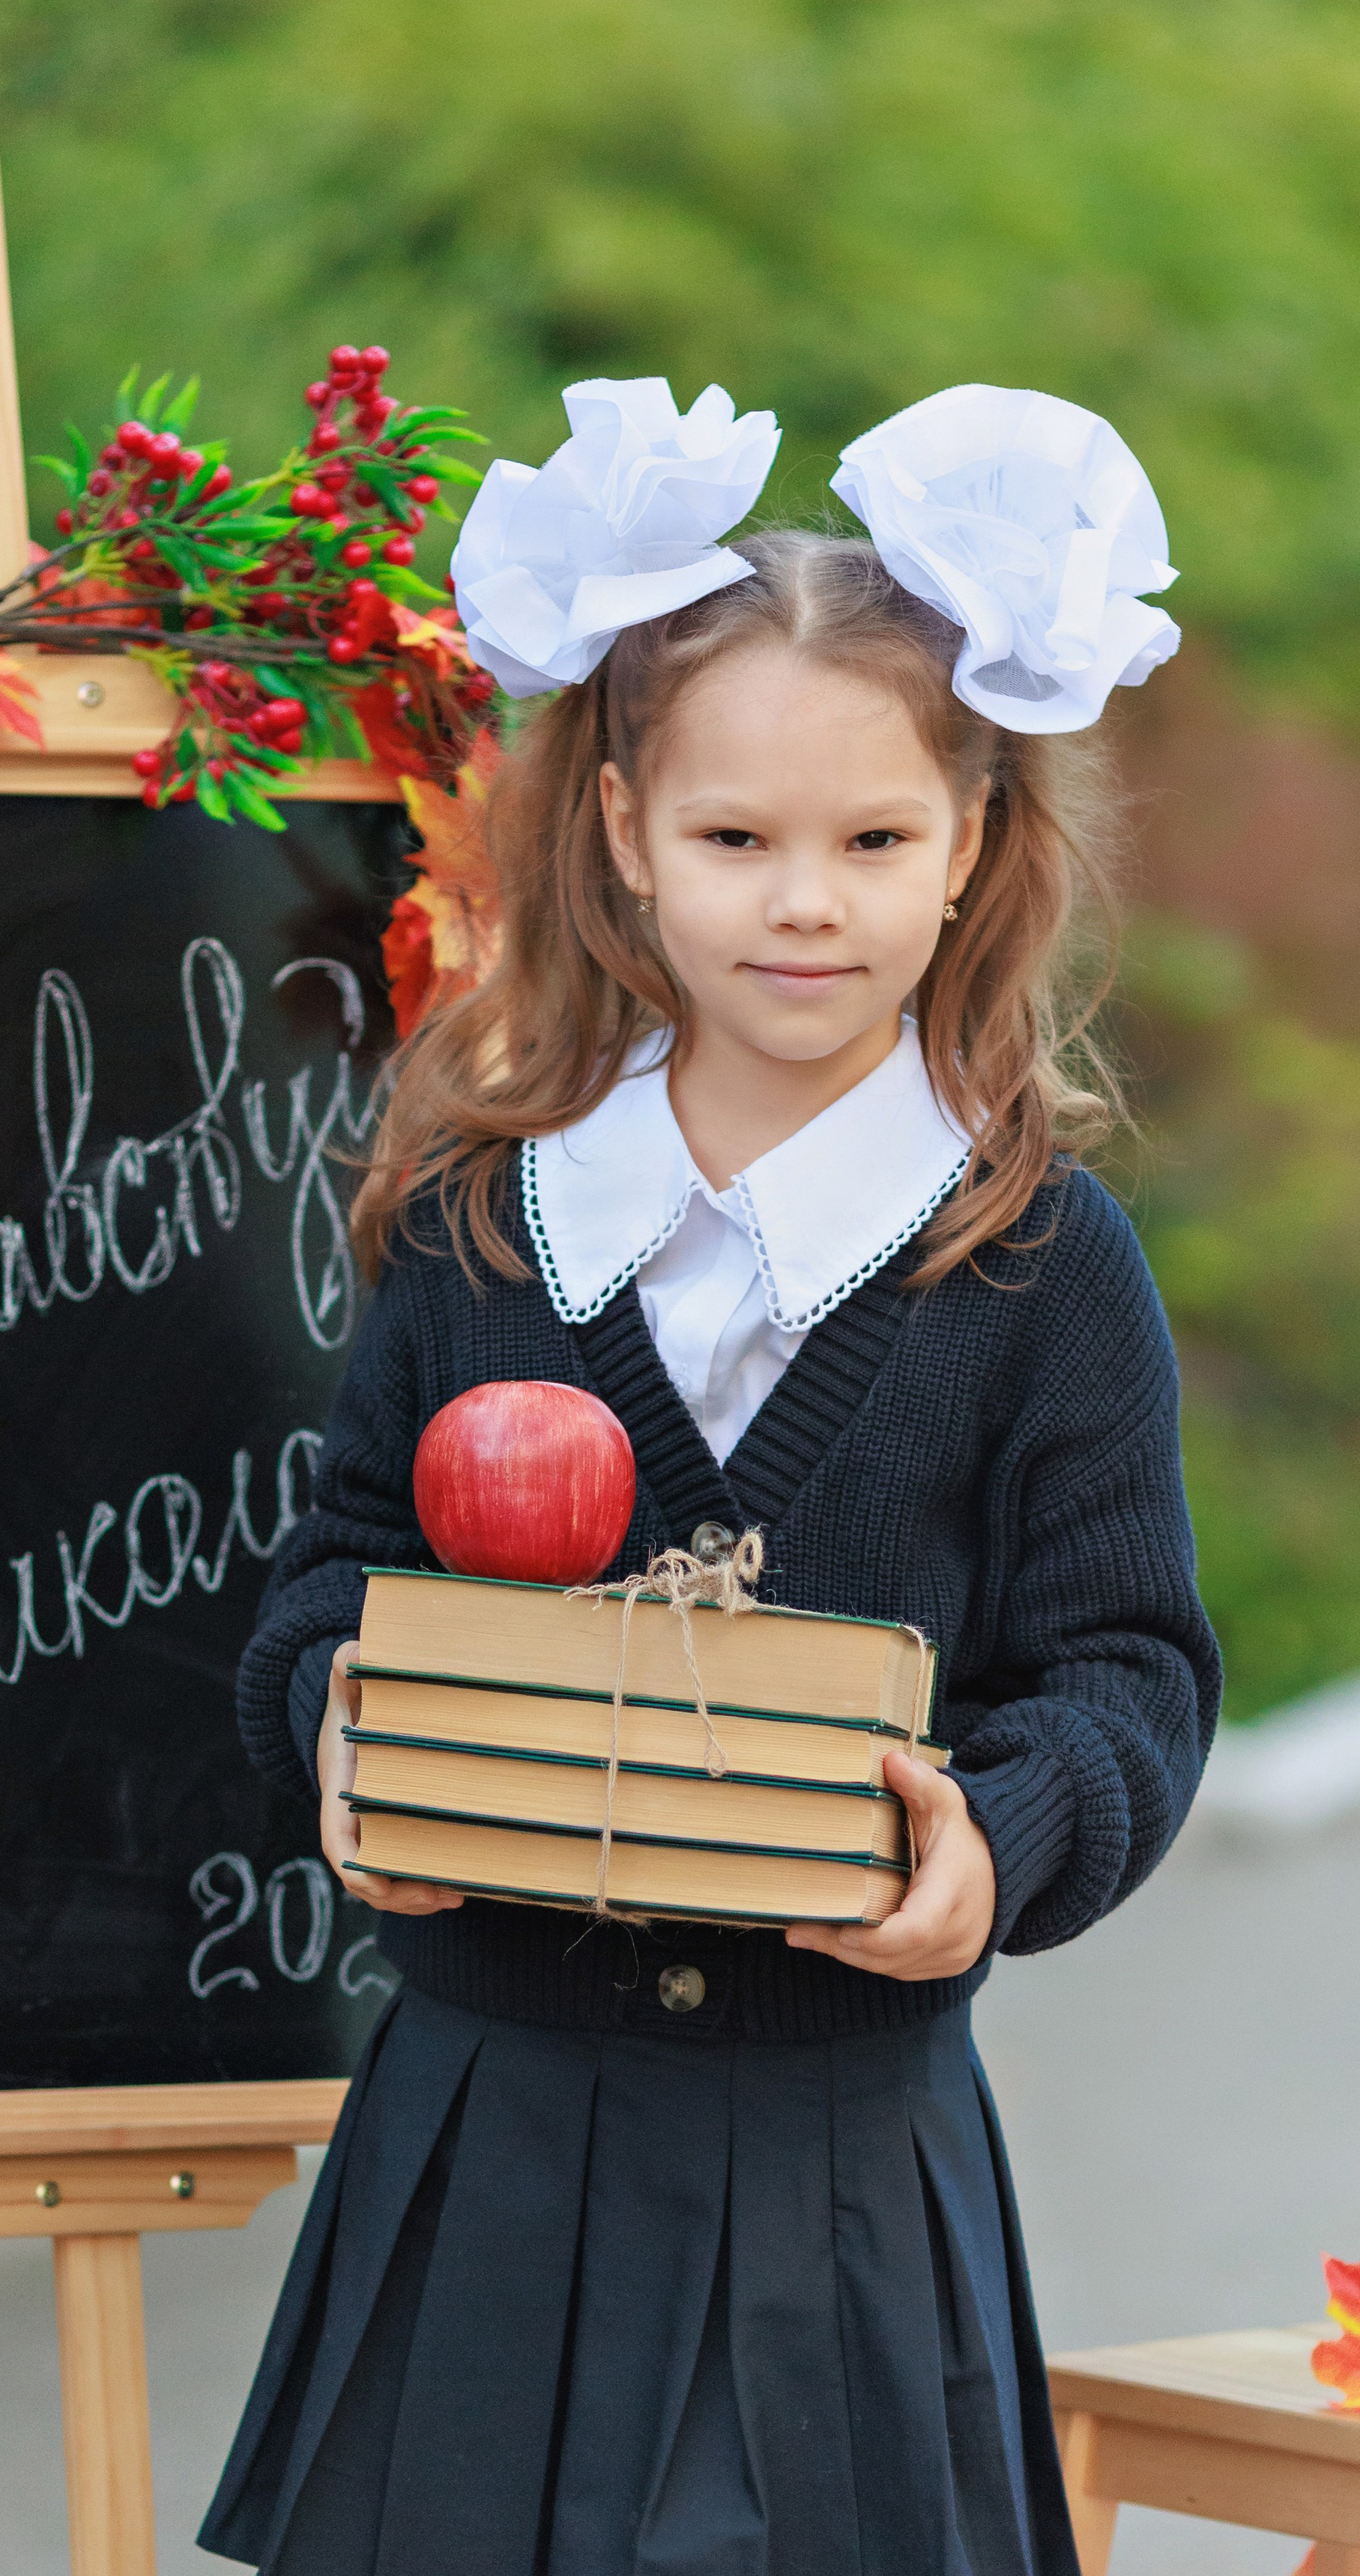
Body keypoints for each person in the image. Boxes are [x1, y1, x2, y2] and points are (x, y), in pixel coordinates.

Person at [200, 378, 1218, 2576]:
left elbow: (1126, 1669)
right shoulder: (487, 1220)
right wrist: (348, 1739)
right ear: (624, 839)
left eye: (871, 843)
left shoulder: (1038, 1263)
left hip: (841, 2165)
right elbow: (329, 1583)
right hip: (492, 2130)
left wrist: (1002, 1841)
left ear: (971, 850)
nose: (804, 905)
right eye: (737, 839)